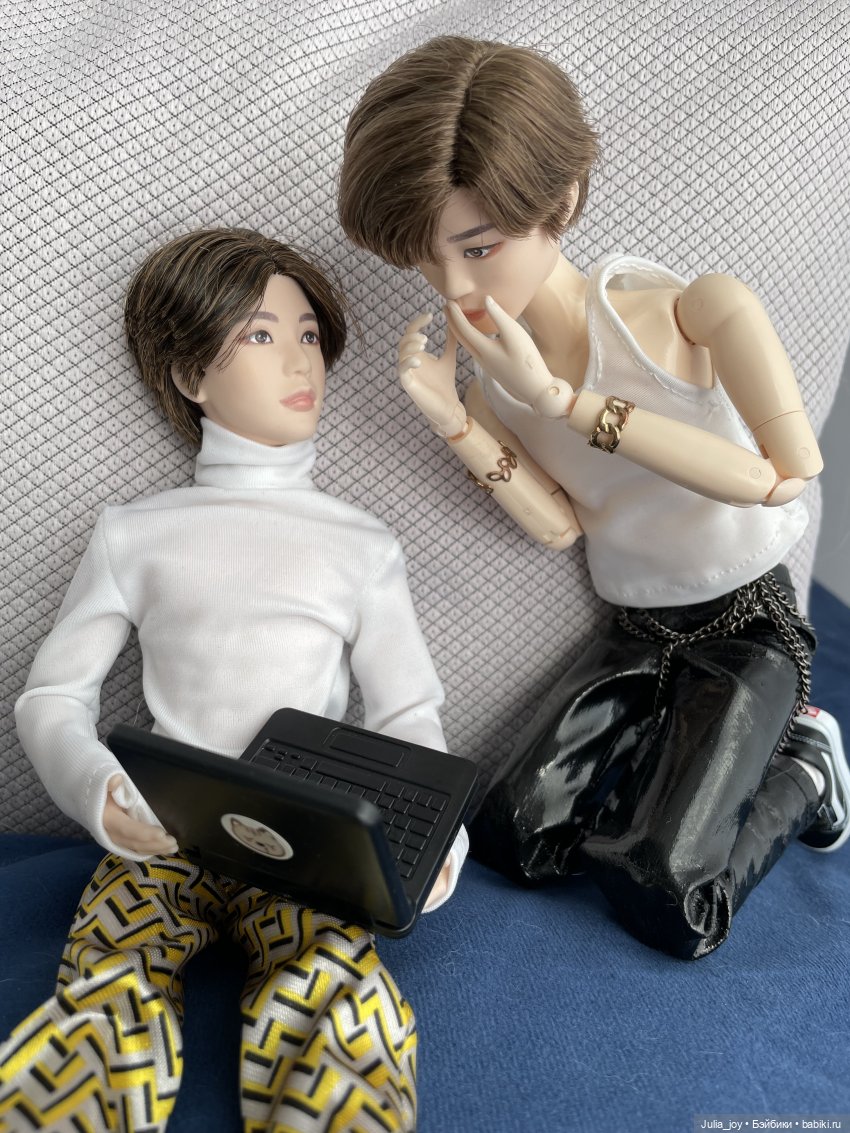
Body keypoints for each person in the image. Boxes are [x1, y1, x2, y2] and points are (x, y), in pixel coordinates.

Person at [337, 35, 850, 960]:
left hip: (748, 619)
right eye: (427, 261)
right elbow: (560, 526)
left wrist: (563, 402)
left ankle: (806, 767)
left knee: (668, 896)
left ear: (565, 200)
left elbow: (785, 473)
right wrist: (454, 418)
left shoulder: (693, 310)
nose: (456, 287)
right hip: (636, 625)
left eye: (480, 248)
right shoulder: (496, 385)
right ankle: (670, 767)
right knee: (512, 836)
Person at [0, 228, 468, 1132]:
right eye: (260, 333)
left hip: (311, 849)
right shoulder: (134, 532)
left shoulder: (362, 545)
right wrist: (100, 791)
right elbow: (51, 697)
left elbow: (408, 710)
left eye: (308, 334)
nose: (300, 360)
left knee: (336, 992)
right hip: (161, 837)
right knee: (106, 995)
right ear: (190, 374)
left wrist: (429, 832)